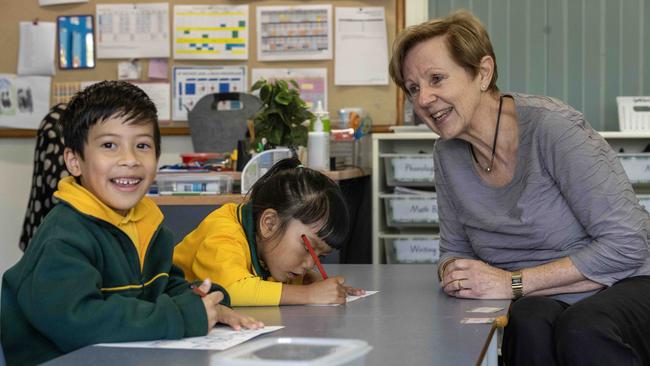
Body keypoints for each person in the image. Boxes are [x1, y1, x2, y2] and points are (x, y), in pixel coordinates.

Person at [389, 10, 650, 366]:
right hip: (541, 295)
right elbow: (454, 248)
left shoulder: (553, 129)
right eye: (413, 88)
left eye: (437, 78)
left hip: (626, 281)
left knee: (583, 330)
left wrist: (511, 283)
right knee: (527, 326)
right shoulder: (446, 153)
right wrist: (455, 274)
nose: (423, 99)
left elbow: (628, 243)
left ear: (482, 73)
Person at [1, 81, 262, 366]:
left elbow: (165, 285)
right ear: (74, 161)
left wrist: (209, 301)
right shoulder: (63, 235)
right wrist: (183, 316)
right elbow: (80, 322)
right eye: (109, 145)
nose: (130, 159)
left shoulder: (150, 226)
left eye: (142, 145)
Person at [174, 157, 365, 306]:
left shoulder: (271, 249)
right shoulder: (224, 232)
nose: (309, 264)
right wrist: (309, 294)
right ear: (269, 224)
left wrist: (312, 283)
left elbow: (265, 287)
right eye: (307, 248)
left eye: (319, 258)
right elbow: (230, 289)